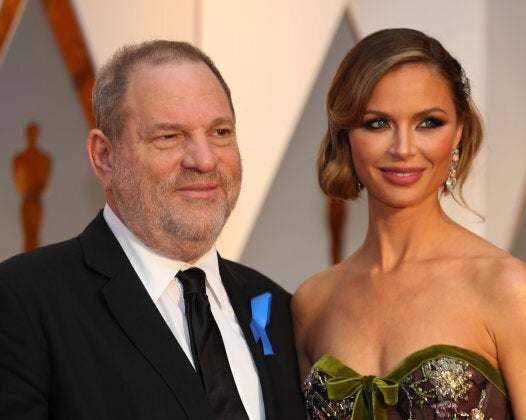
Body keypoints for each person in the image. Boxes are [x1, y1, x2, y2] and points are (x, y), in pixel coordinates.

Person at [0, 40, 304, 419]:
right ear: (104, 156)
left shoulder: (275, 306)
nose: (204, 159)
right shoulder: (21, 301)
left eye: (220, 132)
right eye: (169, 136)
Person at [292, 28, 526, 419]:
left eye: (428, 123)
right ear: (345, 136)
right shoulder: (312, 303)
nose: (404, 148)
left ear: (458, 132)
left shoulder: (507, 287)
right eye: (377, 123)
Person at [12, 122, 52, 251]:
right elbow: (19, 185)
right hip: (28, 202)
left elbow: (43, 183)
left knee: (34, 234)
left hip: (36, 202)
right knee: (28, 234)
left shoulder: (44, 159)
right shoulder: (19, 159)